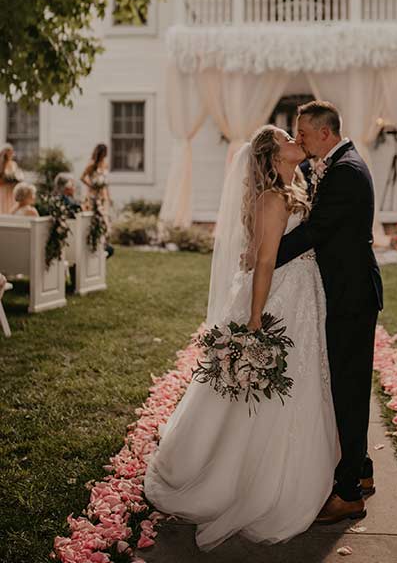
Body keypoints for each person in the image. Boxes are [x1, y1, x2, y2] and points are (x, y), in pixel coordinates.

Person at [144, 125, 338, 551]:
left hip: (302, 297)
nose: (296, 141)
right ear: (272, 157)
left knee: (304, 381)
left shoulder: (297, 190)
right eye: (289, 138)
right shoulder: (271, 199)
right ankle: (246, 480)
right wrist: (255, 319)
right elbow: (266, 261)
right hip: (276, 300)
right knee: (267, 391)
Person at [274, 101, 383, 523]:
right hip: (344, 291)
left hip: (352, 296)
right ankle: (364, 470)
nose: (297, 139)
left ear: (324, 133)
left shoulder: (346, 173)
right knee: (346, 383)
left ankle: (349, 493)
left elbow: (316, 231)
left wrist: (266, 257)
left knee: (349, 388)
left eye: (301, 133)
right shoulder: (335, 165)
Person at [81, 145, 114, 258]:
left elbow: (106, 183)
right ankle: (94, 242)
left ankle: (104, 243)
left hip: (103, 196)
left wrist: (109, 197)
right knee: (95, 218)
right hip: (93, 196)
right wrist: (91, 185)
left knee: (105, 219)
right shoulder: (91, 164)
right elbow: (82, 177)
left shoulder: (105, 164)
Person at [0, 143, 23, 214]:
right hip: (3, 191)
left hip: (12, 191)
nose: (11, 154)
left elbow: (18, 176)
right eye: (8, 153)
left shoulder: (13, 164)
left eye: (11, 152)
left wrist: (15, 180)